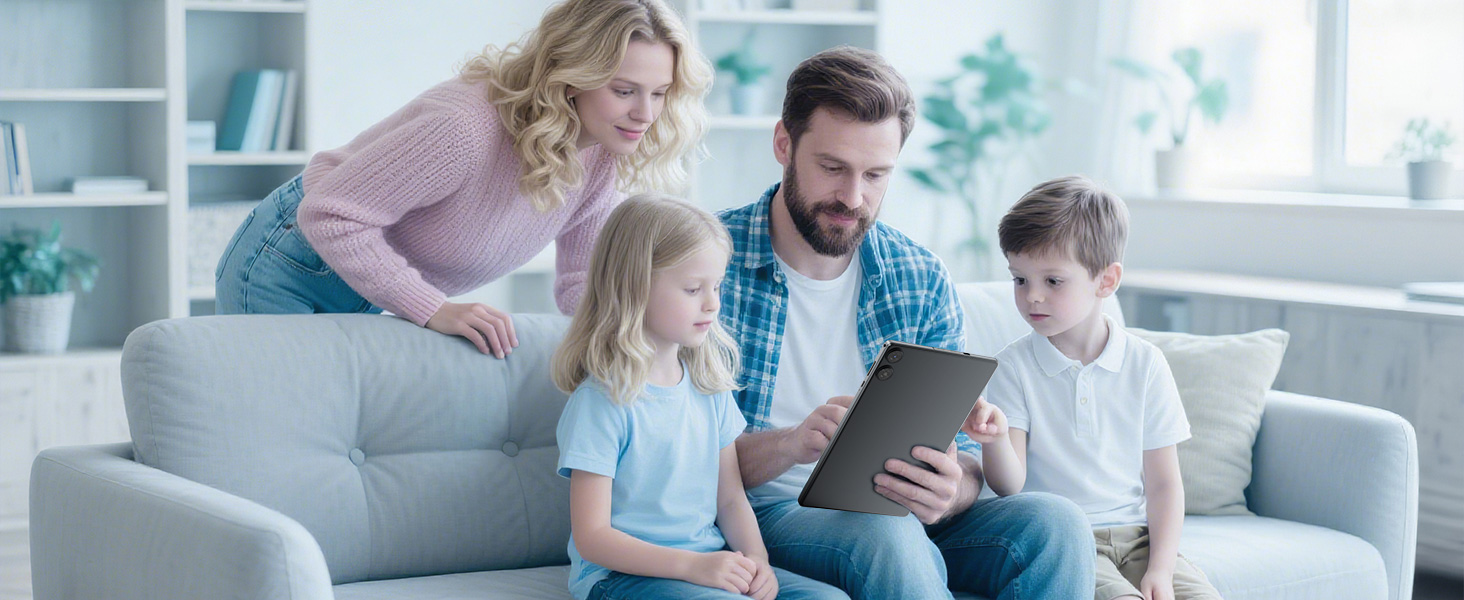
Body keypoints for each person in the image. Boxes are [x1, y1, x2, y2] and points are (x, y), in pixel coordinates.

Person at [716, 46, 1094, 600]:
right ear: (783, 144)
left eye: (876, 174)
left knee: (1057, 525)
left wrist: (955, 488)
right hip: (766, 515)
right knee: (884, 531)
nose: (853, 197)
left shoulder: (917, 275)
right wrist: (794, 443)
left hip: (898, 517)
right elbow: (682, 457)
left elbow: (961, 450)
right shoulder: (707, 267)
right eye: (832, 168)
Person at [215, 0, 711, 359]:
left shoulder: (603, 151)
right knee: (281, 433)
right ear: (570, 77)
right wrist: (433, 309)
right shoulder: (465, 129)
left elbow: (580, 282)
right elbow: (330, 214)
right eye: (625, 90)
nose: (645, 113)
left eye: (661, 92)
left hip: (367, 278)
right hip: (291, 263)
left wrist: (637, 342)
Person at [551, 194, 847, 600]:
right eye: (693, 288)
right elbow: (593, 537)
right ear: (635, 287)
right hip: (621, 577)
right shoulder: (601, 403)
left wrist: (758, 562)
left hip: (706, 564)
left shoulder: (710, 389)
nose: (713, 303)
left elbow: (729, 498)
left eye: (717, 286)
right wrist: (695, 566)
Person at [967, 175, 1221, 600]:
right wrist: (991, 441)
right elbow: (1010, 485)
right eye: (1019, 279)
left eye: (1053, 281)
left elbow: (1164, 485)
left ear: (1106, 281)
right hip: (1067, 544)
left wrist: (1160, 568)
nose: (1032, 297)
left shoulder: (1145, 364)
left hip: (1139, 540)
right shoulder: (1013, 367)